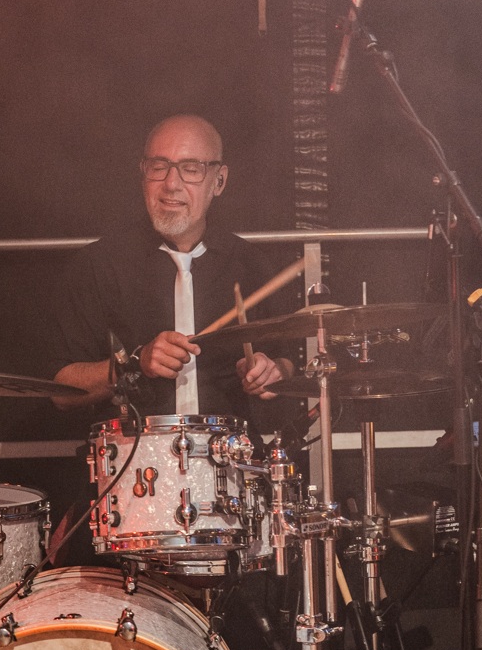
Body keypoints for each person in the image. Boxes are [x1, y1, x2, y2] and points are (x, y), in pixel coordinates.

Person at [45, 114, 296, 421]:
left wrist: (273, 371)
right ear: (143, 174)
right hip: (131, 449)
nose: (171, 184)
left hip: (228, 448)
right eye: (158, 167)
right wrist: (135, 364)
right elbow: (61, 392)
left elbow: (286, 361)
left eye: (191, 169)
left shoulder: (251, 264)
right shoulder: (98, 265)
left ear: (219, 181)